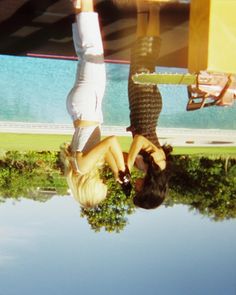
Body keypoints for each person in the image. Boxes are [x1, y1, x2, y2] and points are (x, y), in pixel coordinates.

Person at [61, 0, 131, 208]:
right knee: (85, 55)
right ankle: (79, 5)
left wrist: (123, 170)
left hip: (87, 105)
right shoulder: (78, 167)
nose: (103, 184)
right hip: (79, 108)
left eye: (101, 187)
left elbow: (111, 141)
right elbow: (107, 152)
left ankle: (86, 3)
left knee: (93, 51)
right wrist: (121, 174)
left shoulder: (83, 166)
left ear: (90, 188)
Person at [126, 0, 173, 209]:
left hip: (137, 109)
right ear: (147, 190)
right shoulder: (159, 165)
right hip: (147, 106)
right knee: (146, 59)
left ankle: (140, 9)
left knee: (137, 57)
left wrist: (119, 167)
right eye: (137, 191)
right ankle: (153, 8)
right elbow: (140, 140)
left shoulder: (143, 169)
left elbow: (124, 152)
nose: (134, 187)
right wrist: (128, 165)